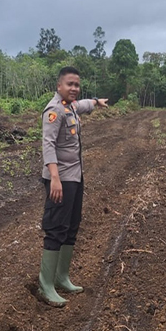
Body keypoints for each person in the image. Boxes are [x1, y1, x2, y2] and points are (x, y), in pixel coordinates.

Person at [37, 66, 108, 307]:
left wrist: (97, 101)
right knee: (56, 227)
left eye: (77, 85)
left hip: (75, 176)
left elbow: (84, 104)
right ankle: (46, 284)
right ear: (59, 86)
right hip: (60, 178)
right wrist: (54, 178)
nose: (74, 89)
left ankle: (62, 277)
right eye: (70, 84)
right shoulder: (54, 111)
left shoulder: (72, 106)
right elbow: (48, 145)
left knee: (72, 226)